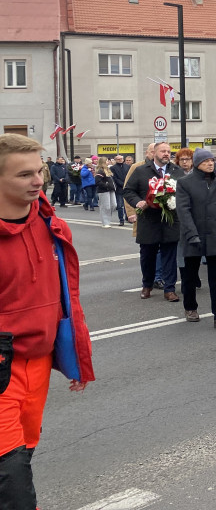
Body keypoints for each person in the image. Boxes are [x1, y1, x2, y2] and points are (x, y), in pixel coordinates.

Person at [0, 134, 94, 510]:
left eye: (39, 170)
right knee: (13, 486)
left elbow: (66, 300)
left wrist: (75, 355)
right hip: (2, 371)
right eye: (25, 175)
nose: (39, 181)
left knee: (22, 459)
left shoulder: (51, 225)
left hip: (37, 365)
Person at [175, 149, 216, 328]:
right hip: (194, 235)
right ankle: (190, 307)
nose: (210, 163)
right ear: (197, 163)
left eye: (211, 160)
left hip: (215, 235)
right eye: (206, 160)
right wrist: (191, 234)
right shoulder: (185, 183)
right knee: (190, 276)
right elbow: (183, 211)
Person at [123, 142, 184, 301]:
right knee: (148, 256)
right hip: (148, 221)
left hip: (170, 221)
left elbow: (185, 191)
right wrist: (137, 202)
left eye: (169, 151)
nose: (166, 154)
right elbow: (128, 191)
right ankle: (147, 284)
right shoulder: (141, 170)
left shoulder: (176, 171)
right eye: (163, 151)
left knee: (170, 256)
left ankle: (169, 289)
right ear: (154, 153)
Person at [94, 156, 117, 228]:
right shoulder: (100, 171)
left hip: (111, 190)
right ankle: (105, 222)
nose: (108, 162)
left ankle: (108, 220)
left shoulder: (108, 170)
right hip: (103, 191)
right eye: (107, 161)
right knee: (105, 206)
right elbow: (97, 181)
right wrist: (106, 185)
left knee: (113, 205)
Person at [110, 154, 130, 225]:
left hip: (127, 187)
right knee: (120, 205)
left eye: (121, 159)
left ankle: (128, 217)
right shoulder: (113, 168)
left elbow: (130, 176)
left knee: (127, 204)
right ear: (115, 160)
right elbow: (114, 178)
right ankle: (121, 219)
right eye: (118, 159)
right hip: (119, 188)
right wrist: (122, 184)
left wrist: (127, 184)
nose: (120, 160)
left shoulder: (127, 166)